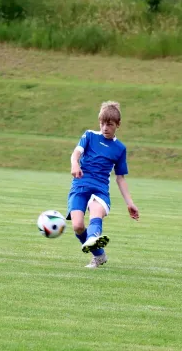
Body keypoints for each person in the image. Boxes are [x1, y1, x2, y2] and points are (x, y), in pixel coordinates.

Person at [68, 101, 140, 268]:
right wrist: (75, 164)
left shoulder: (119, 148)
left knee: (95, 213)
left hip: (100, 190)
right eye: (102, 123)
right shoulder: (89, 136)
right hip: (79, 187)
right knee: (78, 226)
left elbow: (120, 178)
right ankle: (99, 256)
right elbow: (75, 154)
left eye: (109, 124)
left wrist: (130, 203)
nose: (105, 128)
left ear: (118, 125)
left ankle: (94, 237)